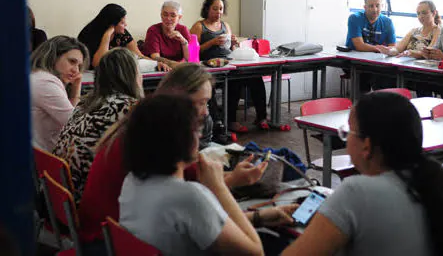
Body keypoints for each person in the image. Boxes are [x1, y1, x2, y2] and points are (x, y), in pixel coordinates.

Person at [78, 64, 295, 248]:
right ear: (178, 101)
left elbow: (196, 215)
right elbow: (197, 205)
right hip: (104, 243)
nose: (206, 112)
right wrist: (225, 184)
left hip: (115, 240)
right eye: (201, 103)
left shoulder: (142, 135)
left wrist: (257, 215)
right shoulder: (167, 158)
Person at [282, 92, 443, 256]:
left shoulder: (356, 193)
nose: (346, 139)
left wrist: (252, 222)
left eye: (348, 132)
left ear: (366, 146)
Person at [119, 94, 264, 255]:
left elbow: (204, 223)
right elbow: (256, 252)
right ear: (180, 139)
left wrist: (261, 217)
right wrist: (219, 188)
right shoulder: (190, 196)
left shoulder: (131, 181)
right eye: (196, 130)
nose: (200, 136)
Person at [52, 48, 143, 202]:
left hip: (59, 197)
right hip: (87, 201)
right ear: (132, 75)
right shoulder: (129, 108)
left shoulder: (85, 104)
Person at [190, 0, 269, 132]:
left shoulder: (225, 26)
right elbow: (193, 51)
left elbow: (231, 49)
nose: (218, 12)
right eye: (215, 8)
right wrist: (212, 42)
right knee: (234, 82)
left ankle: (261, 117)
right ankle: (230, 121)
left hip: (229, 63)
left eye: (221, 9)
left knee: (256, 78)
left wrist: (234, 44)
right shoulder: (199, 26)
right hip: (209, 67)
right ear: (207, 9)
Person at [30, 36, 89, 152]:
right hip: (43, 160)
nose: (76, 71)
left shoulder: (37, 75)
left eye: (79, 66)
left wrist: (76, 86)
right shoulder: (46, 82)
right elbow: (75, 125)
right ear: (53, 57)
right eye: (72, 62)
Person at [77, 3, 170, 70]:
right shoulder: (89, 34)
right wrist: (107, 36)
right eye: (122, 22)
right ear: (111, 24)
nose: (126, 24)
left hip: (115, 74)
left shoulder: (122, 34)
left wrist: (157, 63)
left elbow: (140, 56)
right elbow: (98, 65)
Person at [345, 0, 396, 93]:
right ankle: (361, 102)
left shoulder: (387, 22)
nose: (375, 9)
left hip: (377, 62)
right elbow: (359, 45)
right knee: (364, 75)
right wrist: (379, 48)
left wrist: (388, 50)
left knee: (387, 77)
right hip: (354, 61)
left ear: (382, 6)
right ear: (365, 7)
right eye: (371, 6)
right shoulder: (355, 18)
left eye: (377, 6)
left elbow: (392, 47)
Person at [377, 0, 441, 58]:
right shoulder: (414, 31)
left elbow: (429, 52)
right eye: (418, 13)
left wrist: (411, 53)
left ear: (434, 13)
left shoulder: (438, 31)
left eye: (424, 13)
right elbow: (398, 48)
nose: (421, 16)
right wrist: (389, 51)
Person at [143, 1, 190, 67]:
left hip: (180, 68)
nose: (168, 18)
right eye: (165, 14)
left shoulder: (183, 29)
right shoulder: (153, 30)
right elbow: (155, 57)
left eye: (173, 15)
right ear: (161, 15)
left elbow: (189, 58)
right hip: (161, 67)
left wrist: (183, 41)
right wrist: (173, 64)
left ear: (179, 17)